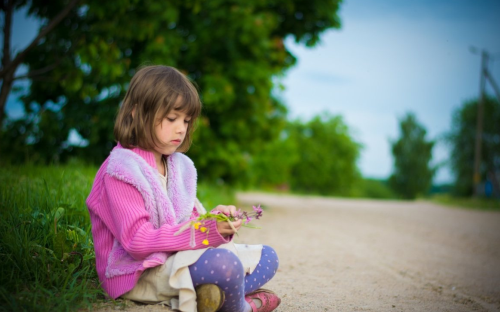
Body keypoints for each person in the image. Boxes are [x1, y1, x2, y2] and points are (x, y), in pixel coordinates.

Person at [86, 65, 281, 312]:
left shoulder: (177, 165)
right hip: (137, 273)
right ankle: (241, 306)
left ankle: (211, 295)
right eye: (171, 119)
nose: (181, 128)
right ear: (137, 113)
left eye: (186, 120)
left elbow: (186, 220)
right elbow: (136, 241)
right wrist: (203, 232)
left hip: (174, 261)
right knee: (223, 264)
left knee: (266, 256)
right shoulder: (122, 169)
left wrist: (214, 219)